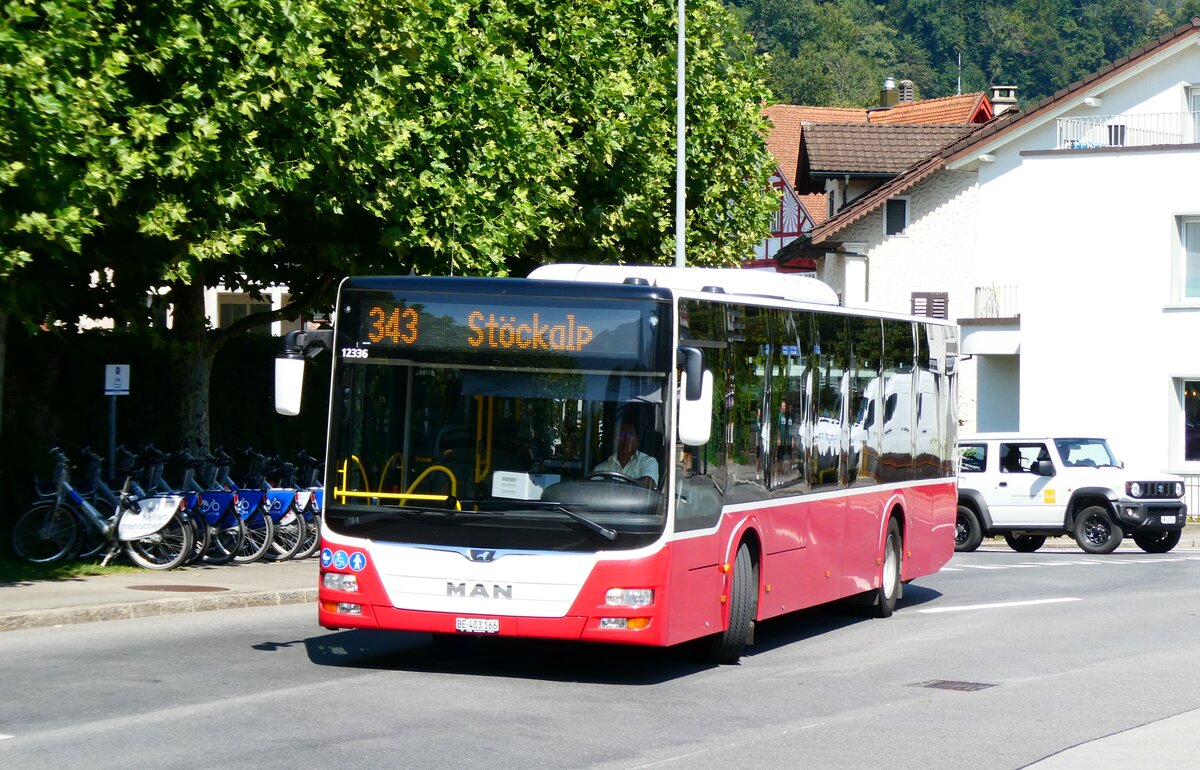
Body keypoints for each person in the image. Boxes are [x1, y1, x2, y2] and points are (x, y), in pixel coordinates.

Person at [594, 419, 659, 488]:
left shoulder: (648, 462)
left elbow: (648, 484)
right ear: (616, 441)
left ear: (637, 441)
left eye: (629, 435)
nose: (626, 439)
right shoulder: (601, 469)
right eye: (622, 435)